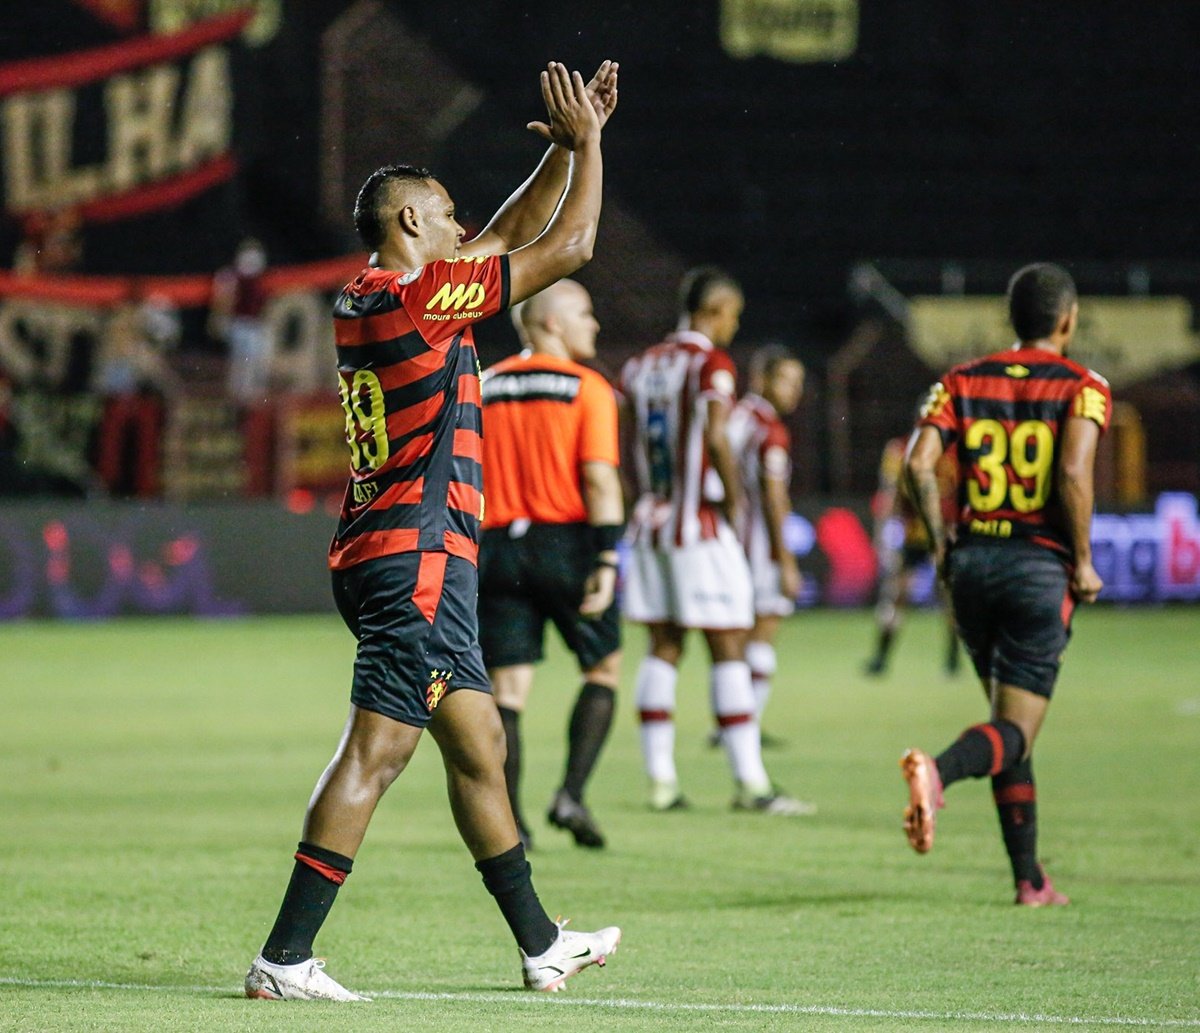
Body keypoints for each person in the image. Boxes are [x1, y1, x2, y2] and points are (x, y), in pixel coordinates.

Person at [245, 60, 622, 1002]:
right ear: (411, 223)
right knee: (377, 751)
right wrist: (589, 149)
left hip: (397, 548)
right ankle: (284, 958)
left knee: (481, 744)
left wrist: (554, 163)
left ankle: (541, 943)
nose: (460, 224)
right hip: (415, 557)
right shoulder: (417, 300)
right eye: (444, 211)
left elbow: (504, 234)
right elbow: (567, 247)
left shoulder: (375, 295)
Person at [899, 262, 1111, 906]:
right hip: (1036, 568)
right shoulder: (1084, 386)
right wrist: (1081, 559)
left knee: (1008, 719)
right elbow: (1073, 474)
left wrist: (940, 544)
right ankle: (938, 772)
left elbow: (918, 463)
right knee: (1016, 730)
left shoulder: (960, 380)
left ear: (1011, 319)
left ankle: (1030, 880)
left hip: (971, 566)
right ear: (1067, 320)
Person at [620, 268, 810, 816]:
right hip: (698, 525)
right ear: (715, 310)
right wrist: (732, 499)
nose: (734, 326)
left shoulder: (640, 365)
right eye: (732, 315)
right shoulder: (710, 365)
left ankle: (661, 782)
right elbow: (716, 436)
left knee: (663, 648)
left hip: (652, 523)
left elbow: (628, 436)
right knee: (729, 647)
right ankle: (751, 784)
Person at [479, 279, 623, 851]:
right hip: (566, 545)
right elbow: (598, 477)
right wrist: (608, 555)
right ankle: (571, 794)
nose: (595, 325)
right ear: (553, 324)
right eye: (585, 314)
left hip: (496, 550)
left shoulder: (485, 385)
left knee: (507, 690)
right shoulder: (588, 388)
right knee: (603, 670)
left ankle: (511, 823)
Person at [725, 346, 810, 751]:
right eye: (786, 380)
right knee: (763, 632)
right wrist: (787, 559)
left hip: (727, 541)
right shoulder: (769, 429)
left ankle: (732, 720)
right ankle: (747, 725)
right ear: (761, 379)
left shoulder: (735, 418)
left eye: (798, 383)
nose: (794, 390)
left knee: (737, 639)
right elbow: (774, 498)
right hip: (758, 547)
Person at [864, 423, 959, 676]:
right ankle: (881, 657)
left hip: (946, 532)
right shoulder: (900, 449)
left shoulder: (955, 452)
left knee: (952, 598)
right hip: (915, 534)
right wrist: (883, 532)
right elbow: (890, 493)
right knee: (897, 593)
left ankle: (953, 659)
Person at [209, 237, 270, 406]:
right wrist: (220, 320)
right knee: (239, 365)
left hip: (254, 325)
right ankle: (236, 401)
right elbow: (222, 300)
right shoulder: (229, 275)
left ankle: (251, 400)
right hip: (237, 324)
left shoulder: (259, 279)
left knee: (256, 363)